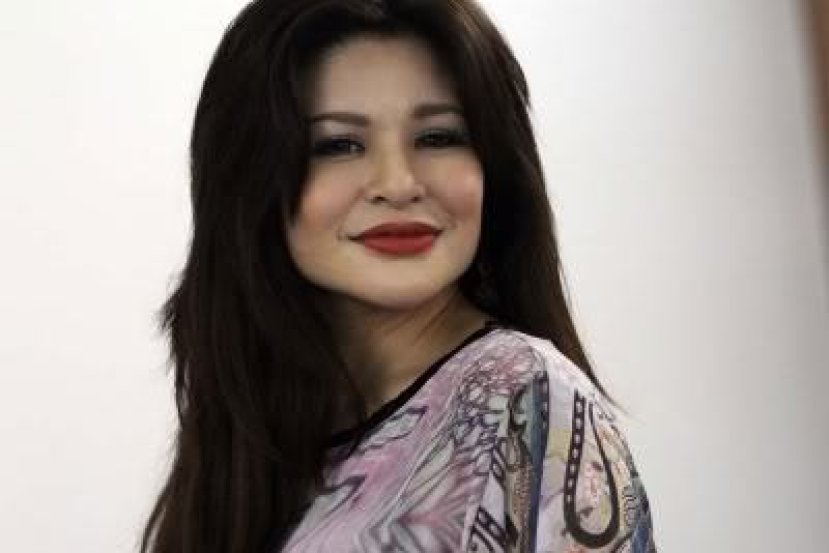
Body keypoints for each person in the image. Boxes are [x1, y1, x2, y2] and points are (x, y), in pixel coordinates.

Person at [139, 0, 657, 552]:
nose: (398, 183)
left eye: (438, 137)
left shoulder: (528, 400)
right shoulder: (256, 434)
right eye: (339, 145)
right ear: (251, 181)